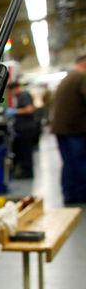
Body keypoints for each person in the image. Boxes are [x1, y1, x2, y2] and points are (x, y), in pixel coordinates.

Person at [50, 54, 86, 204]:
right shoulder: (81, 77)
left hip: (62, 129)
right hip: (75, 129)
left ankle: (69, 194)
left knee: (69, 163)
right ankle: (81, 194)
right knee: (80, 162)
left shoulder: (68, 78)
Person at [7, 81, 38, 179]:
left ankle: (27, 173)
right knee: (23, 150)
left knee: (26, 151)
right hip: (23, 127)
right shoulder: (21, 95)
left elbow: (29, 109)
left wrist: (15, 111)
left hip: (26, 127)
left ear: (14, 88)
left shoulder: (23, 95)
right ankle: (26, 171)